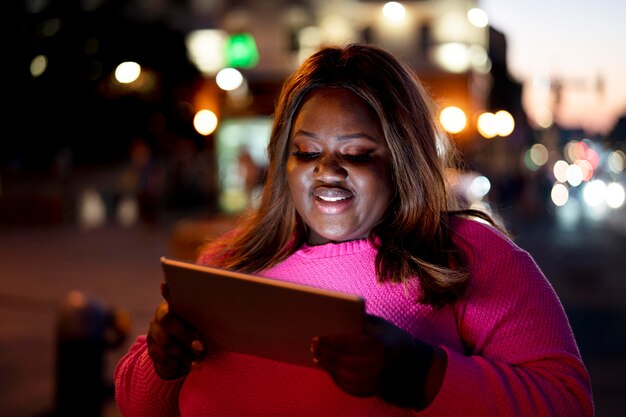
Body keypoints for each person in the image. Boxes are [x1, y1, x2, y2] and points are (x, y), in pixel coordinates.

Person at [114, 43, 594, 416]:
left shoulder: (464, 256)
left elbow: (567, 403)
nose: (327, 170)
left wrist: (421, 375)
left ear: (402, 160)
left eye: (357, 154)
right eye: (306, 151)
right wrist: (163, 359)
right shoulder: (228, 261)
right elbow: (137, 404)